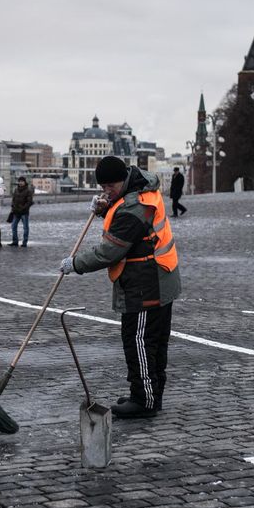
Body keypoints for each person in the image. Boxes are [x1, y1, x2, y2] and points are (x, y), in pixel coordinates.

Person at [59, 156, 181, 419]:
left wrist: (76, 264)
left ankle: (144, 400)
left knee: (139, 341)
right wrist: (105, 206)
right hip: (159, 277)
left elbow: (110, 252)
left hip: (146, 284)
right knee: (155, 342)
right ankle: (149, 393)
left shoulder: (135, 207)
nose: (106, 191)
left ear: (122, 180)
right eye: (102, 187)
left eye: (109, 187)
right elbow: (122, 204)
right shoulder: (140, 187)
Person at [9, 176, 34, 247]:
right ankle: (15, 241)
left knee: (25, 227)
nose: (20, 182)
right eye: (19, 181)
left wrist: (23, 208)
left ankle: (24, 242)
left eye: (22, 181)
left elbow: (29, 202)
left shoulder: (28, 190)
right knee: (13, 226)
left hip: (24, 212)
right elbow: (13, 199)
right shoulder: (16, 190)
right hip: (16, 212)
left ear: (24, 182)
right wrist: (13, 207)